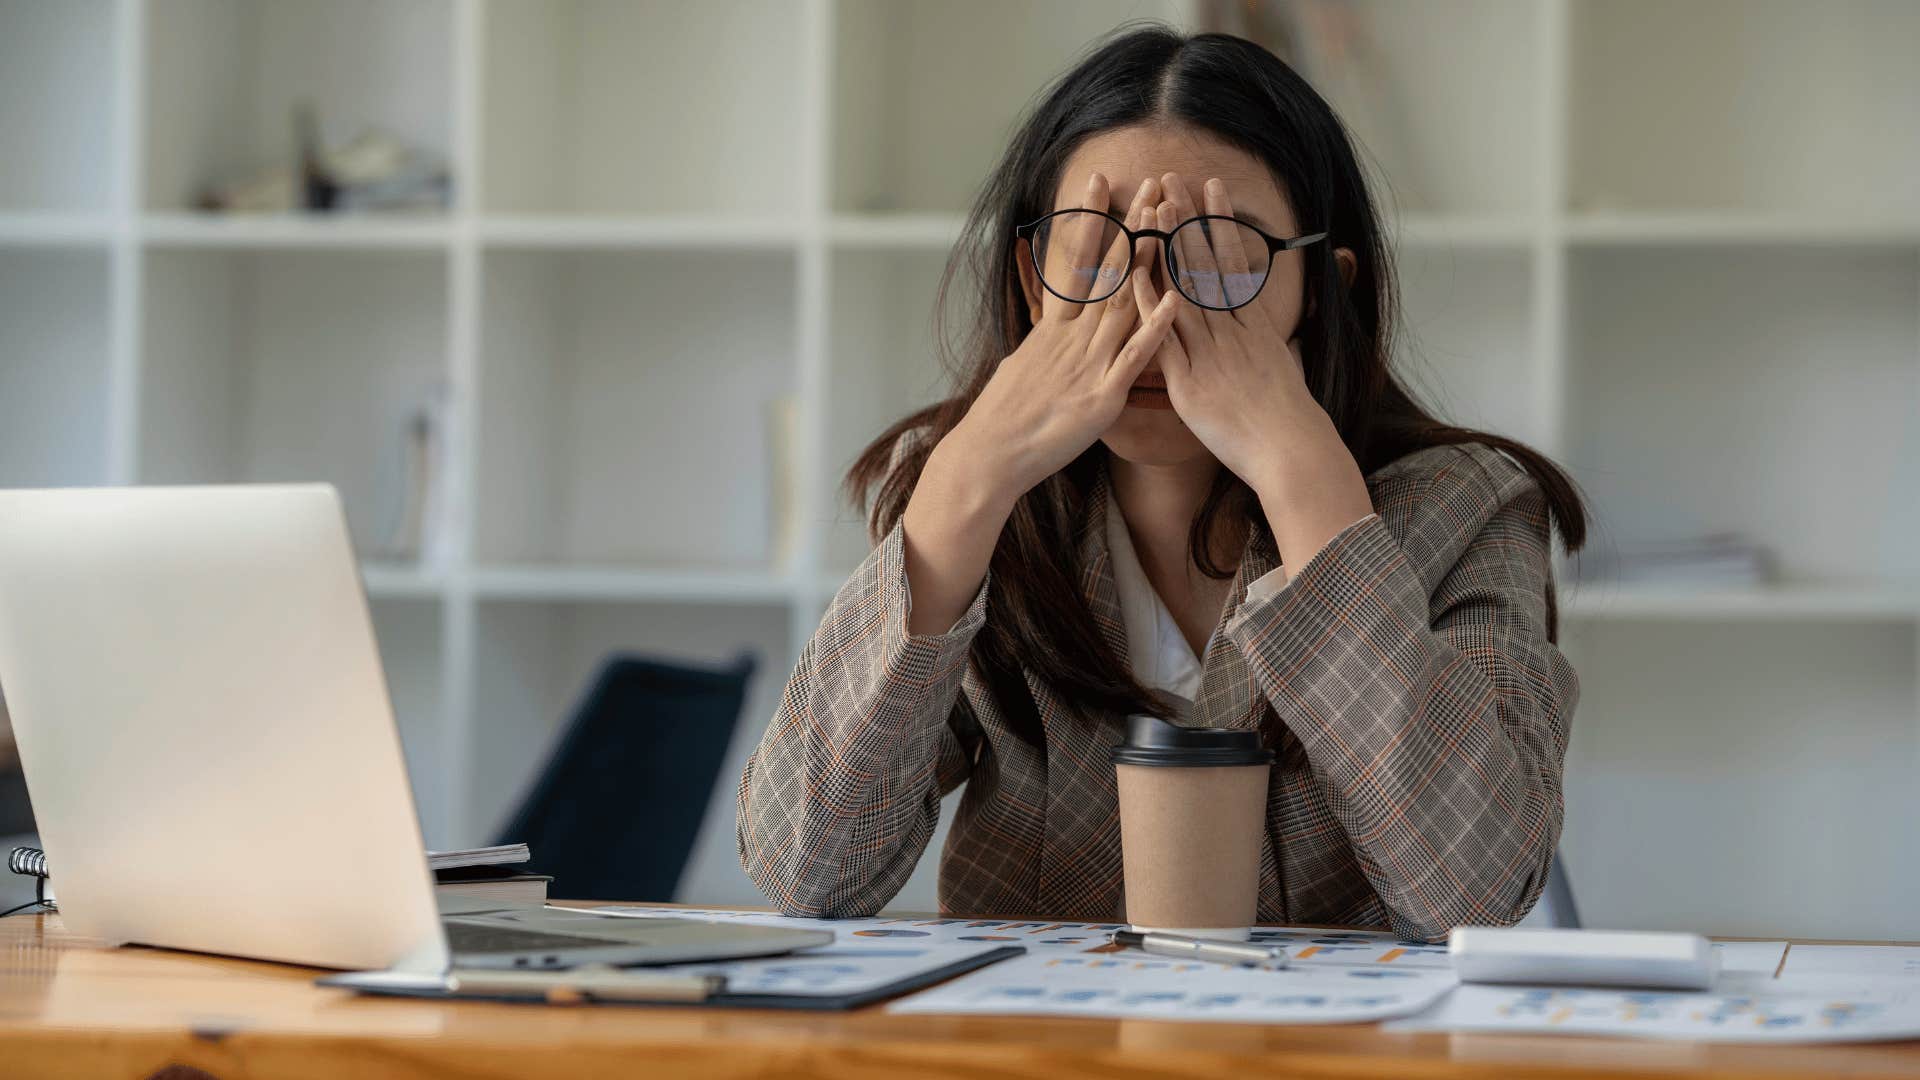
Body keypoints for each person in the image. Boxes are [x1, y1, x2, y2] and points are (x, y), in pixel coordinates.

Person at [736, 26, 1585, 943]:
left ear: (1323, 290)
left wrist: (1309, 488)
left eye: (1218, 253)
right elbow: (804, 873)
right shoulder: (970, 502)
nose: (1150, 307)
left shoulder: (1468, 507)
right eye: (1096, 248)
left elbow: (1475, 895)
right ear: (1031, 281)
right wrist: (965, 483)